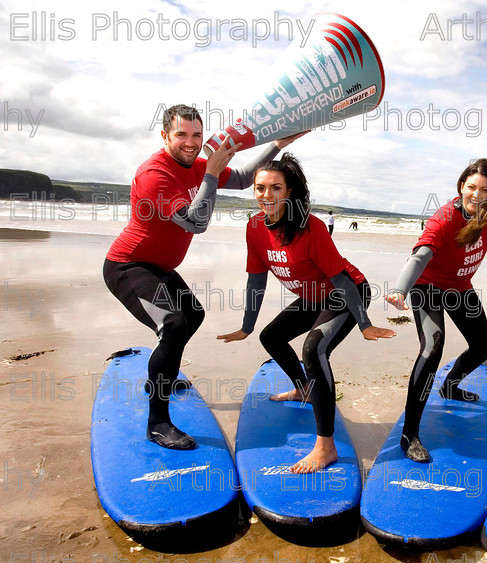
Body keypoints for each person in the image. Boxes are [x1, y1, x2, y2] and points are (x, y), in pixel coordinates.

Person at [103, 104, 303, 451]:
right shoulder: (155, 174)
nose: (191, 142)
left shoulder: (196, 166)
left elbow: (241, 179)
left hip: (160, 268)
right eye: (181, 134)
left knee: (192, 315)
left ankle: (160, 377)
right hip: (128, 265)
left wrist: (276, 145)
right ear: (165, 135)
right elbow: (196, 222)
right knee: (174, 324)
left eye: (197, 134)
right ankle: (158, 423)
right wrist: (210, 174)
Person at [217, 153, 395, 473]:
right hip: (313, 296)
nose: (266, 195)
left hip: (347, 292)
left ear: (289, 192)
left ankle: (325, 447)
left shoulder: (310, 227)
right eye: (260, 188)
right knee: (271, 337)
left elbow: (341, 279)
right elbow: (256, 278)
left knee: (314, 349)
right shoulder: (255, 227)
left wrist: (365, 323)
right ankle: (304, 389)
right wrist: (246, 325)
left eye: (276, 188)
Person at [385, 158, 487, 462]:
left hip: (459, 288)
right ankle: (409, 435)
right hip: (427, 287)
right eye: (471, 187)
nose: (477, 194)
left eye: (485, 190)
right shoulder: (445, 219)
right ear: (462, 186)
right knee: (432, 348)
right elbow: (421, 255)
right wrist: (400, 289)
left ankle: (450, 385)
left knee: (483, 346)